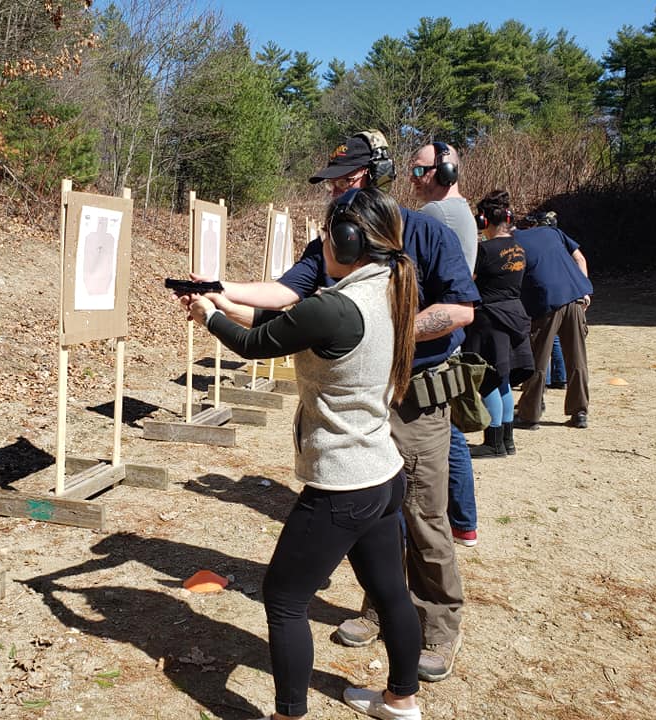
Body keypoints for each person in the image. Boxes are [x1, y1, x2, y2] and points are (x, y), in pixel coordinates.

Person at [201, 131, 479, 683]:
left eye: (342, 180)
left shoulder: (426, 231)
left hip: (414, 394)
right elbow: (288, 295)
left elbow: (462, 310)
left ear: (366, 180)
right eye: (332, 181)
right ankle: (378, 610)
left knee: (422, 516)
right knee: (378, 521)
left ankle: (440, 628)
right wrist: (221, 287)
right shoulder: (331, 243)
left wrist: (393, 338)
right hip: (356, 399)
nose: (332, 188)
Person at [184, 187, 422, 720]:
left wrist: (206, 317)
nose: (320, 243)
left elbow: (255, 344)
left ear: (346, 239)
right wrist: (221, 302)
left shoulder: (335, 306)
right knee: (390, 593)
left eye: (326, 233)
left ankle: (288, 715)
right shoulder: (390, 285)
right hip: (382, 471)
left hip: (343, 483)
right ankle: (402, 700)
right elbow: (282, 329)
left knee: (284, 600)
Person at [409, 141, 480, 546]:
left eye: (420, 171)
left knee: (442, 433)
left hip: (433, 334)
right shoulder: (463, 211)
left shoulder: (435, 213)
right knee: (450, 432)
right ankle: (464, 521)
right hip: (447, 335)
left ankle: (458, 519)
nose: (413, 179)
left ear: (445, 172)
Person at [463, 191, 534, 457]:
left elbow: (468, 278)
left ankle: (493, 442)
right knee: (503, 377)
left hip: (490, 319)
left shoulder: (484, 249)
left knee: (489, 379)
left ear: (483, 220)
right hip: (514, 314)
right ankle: (506, 440)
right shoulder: (518, 248)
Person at [513, 214, 593, 429]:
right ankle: (580, 413)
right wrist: (584, 288)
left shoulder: (512, 243)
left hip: (546, 303)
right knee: (577, 359)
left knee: (537, 360)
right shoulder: (553, 232)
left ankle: (530, 414)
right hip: (575, 298)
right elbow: (580, 259)